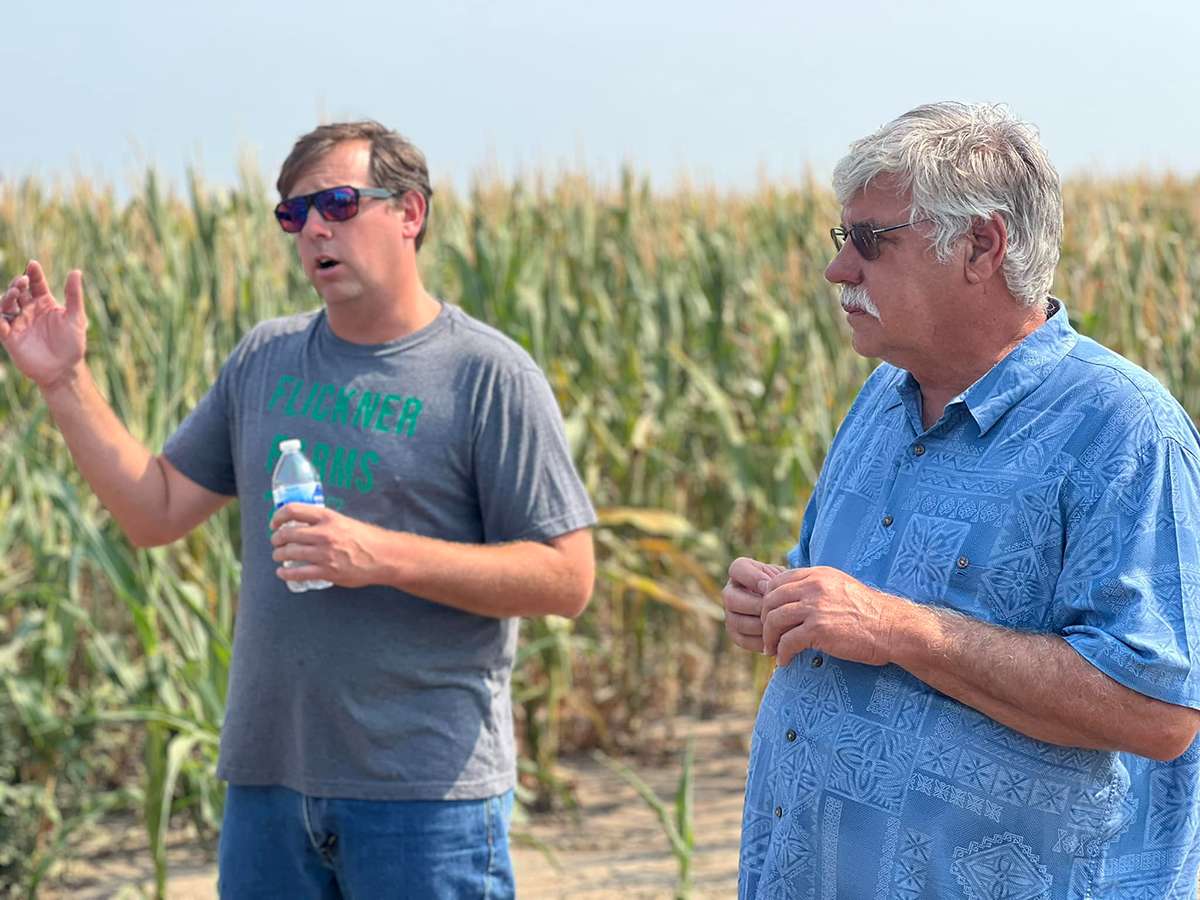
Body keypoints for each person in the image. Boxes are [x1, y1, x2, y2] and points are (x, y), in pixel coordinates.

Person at [0, 121, 596, 898]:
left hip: (425, 798)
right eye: (294, 213)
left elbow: (567, 578)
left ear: (409, 213)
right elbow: (155, 511)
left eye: (340, 204)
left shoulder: (486, 377)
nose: (314, 228)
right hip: (268, 785)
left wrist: (378, 556)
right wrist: (63, 384)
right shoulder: (265, 359)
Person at [722, 102, 1200, 898]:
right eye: (843, 240)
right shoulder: (880, 401)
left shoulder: (1121, 428)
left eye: (871, 241)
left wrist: (896, 627)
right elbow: (845, 597)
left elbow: (1158, 711)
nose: (839, 271)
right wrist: (782, 601)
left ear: (981, 245)